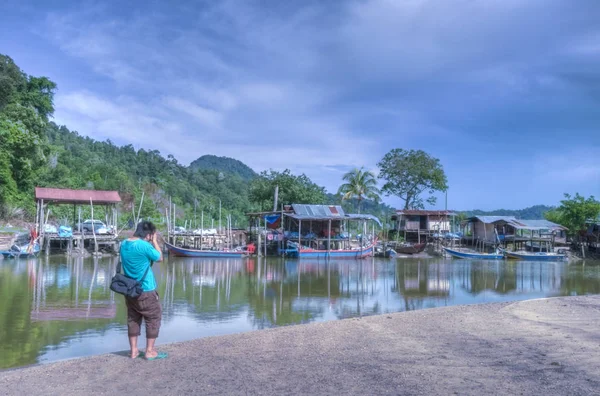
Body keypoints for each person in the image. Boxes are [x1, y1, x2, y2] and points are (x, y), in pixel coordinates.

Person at [120, 220, 166, 360]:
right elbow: (160, 258)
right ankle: (149, 351)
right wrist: (155, 242)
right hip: (146, 289)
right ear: (149, 235)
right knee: (153, 318)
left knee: (133, 318)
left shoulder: (123, 244)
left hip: (130, 289)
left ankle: (133, 351)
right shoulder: (144, 245)